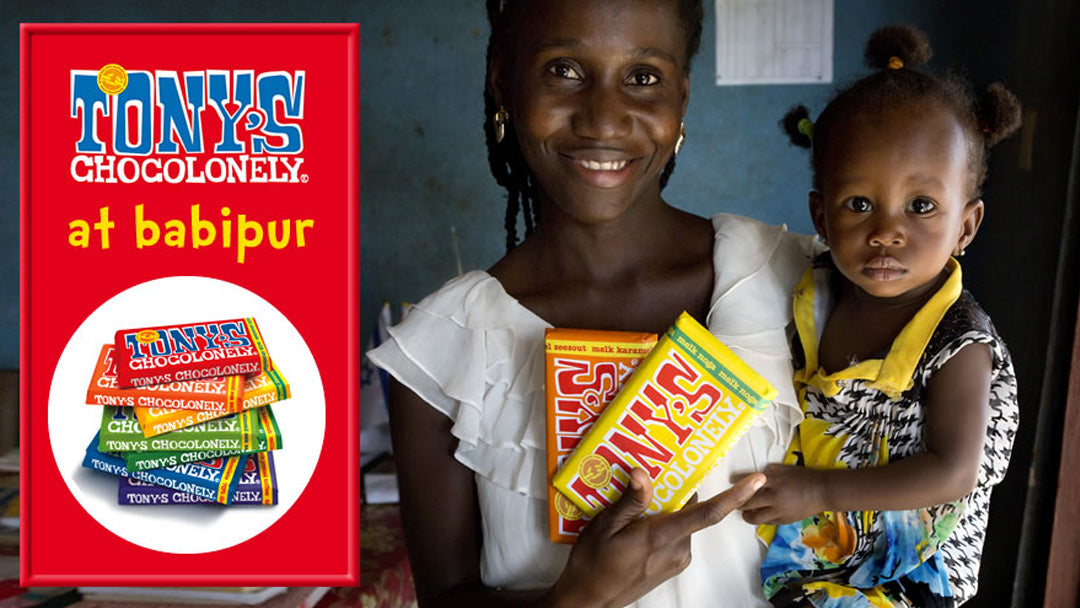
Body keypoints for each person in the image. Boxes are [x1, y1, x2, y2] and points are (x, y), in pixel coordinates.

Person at [368, 1, 820, 606]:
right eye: (563, 70)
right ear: (504, 82)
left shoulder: (790, 278)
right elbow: (447, 596)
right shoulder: (440, 349)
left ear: (681, 97)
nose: (604, 120)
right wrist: (581, 595)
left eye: (642, 78)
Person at [739, 26, 1022, 608]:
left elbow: (952, 472)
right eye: (859, 204)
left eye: (921, 206)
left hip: (911, 570)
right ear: (821, 214)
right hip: (823, 547)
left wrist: (818, 490)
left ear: (966, 226)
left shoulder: (957, 343)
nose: (887, 230)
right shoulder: (812, 292)